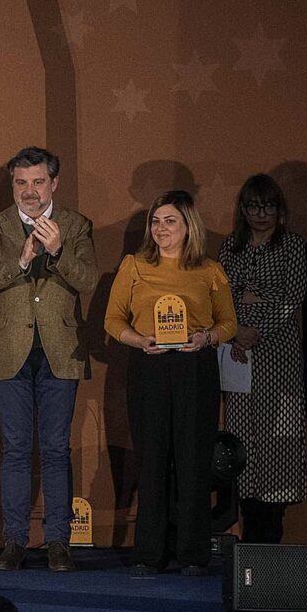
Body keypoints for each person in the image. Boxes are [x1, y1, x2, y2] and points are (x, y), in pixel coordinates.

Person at [0, 146, 96, 571]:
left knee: (57, 449)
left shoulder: (76, 225)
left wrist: (58, 251)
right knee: (16, 450)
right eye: (21, 183)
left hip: (60, 350)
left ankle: (59, 542)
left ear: (53, 184)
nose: (29, 191)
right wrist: (21, 260)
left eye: (38, 182)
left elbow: (89, 279)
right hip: (9, 352)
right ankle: (14, 542)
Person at [105, 189, 237, 574]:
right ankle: (149, 553)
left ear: (188, 226)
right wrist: (139, 341)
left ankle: (192, 554)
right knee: (152, 459)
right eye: (156, 221)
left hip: (195, 369)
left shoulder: (210, 270)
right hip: (149, 367)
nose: (161, 228)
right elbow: (113, 321)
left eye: (170, 221)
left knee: (194, 460)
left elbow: (228, 323)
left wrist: (207, 337)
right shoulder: (133, 265)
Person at [218, 173, 306, 545]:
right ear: (243, 209)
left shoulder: (292, 247)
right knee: (242, 442)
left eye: (268, 206)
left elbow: (293, 296)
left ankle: (271, 540)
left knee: (279, 440)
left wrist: (256, 326)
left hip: (278, 361)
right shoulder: (230, 248)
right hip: (237, 355)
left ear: (279, 209)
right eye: (254, 206)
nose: (261, 214)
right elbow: (221, 297)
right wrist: (238, 327)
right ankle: (247, 529)